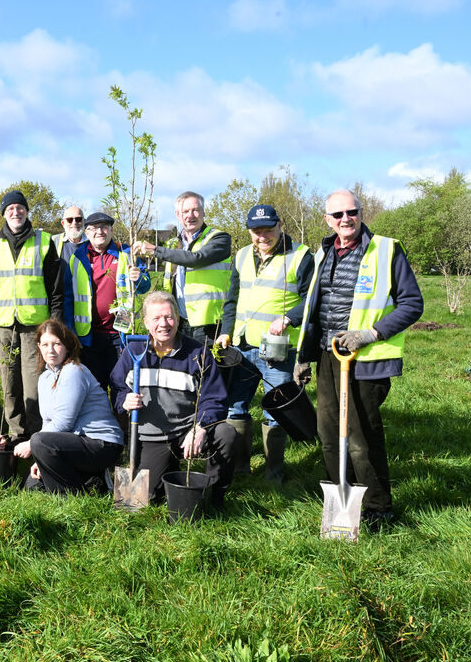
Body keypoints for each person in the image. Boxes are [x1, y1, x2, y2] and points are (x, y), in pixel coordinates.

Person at [295, 189, 423, 530]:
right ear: (327, 220)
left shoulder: (386, 250)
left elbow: (412, 304)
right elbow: (315, 308)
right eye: (337, 215)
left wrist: (370, 333)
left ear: (361, 212)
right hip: (328, 356)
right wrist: (303, 356)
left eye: (351, 212)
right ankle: (342, 502)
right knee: (327, 432)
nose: (345, 219)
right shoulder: (324, 254)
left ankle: (379, 509)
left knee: (361, 437)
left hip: (365, 359)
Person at [110, 291, 239, 509]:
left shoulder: (198, 353)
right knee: (149, 497)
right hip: (153, 436)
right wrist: (124, 400)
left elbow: (215, 399)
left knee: (226, 433)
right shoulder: (133, 351)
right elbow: (117, 386)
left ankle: (214, 497)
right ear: (146, 322)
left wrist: (200, 428)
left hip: (188, 431)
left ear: (178, 320)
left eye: (169, 317)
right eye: (157, 318)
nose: (164, 324)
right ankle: (167, 467)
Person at [216, 204, 314, 482]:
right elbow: (232, 300)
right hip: (242, 346)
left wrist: (289, 318)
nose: (262, 236)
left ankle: (274, 474)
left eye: (268, 230)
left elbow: (312, 300)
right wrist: (226, 330)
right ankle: (240, 469)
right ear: (249, 231)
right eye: (256, 231)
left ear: (280, 225)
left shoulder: (300, 256)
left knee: (276, 411)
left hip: (278, 349)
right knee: (236, 406)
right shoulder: (242, 256)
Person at [0, 189, 64, 441]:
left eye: (20, 207)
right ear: (3, 213)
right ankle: (16, 434)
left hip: (36, 327)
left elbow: (56, 289)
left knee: (34, 384)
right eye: (10, 208)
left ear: (26, 211)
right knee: (9, 384)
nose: (16, 212)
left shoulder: (44, 242)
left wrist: (53, 326)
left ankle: (37, 436)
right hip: (3, 327)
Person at [12, 319, 123, 494]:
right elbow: (48, 423)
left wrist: (33, 445)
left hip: (101, 444)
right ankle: (93, 481)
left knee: (38, 441)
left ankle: (72, 495)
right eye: (45, 344)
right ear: (39, 347)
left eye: (57, 344)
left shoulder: (74, 371)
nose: (51, 350)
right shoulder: (44, 378)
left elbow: (64, 423)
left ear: (67, 346)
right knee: (32, 487)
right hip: (74, 442)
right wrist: (40, 460)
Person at [134, 191, 232, 343]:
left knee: (207, 366)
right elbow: (168, 283)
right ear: (178, 215)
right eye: (185, 211)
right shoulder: (174, 244)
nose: (190, 215)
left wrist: (155, 250)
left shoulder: (219, 238)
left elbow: (196, 259)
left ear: (203, 212)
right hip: (179, 322)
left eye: (195, 210)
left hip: (210, 323)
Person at [71, 211, 148, 393]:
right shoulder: (78, 257)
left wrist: (139, 278)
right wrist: (71, 332)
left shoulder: (126, 253)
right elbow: (68, 297)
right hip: (88, 337)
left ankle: (121, 421)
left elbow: (145, 286)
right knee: (94, 389)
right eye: (94, 228)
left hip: (118, 334)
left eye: (104, 227)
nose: (100, 232)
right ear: (86, 232)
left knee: (120, 386)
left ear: (111, 230)